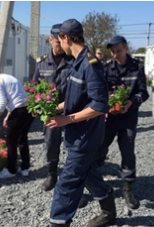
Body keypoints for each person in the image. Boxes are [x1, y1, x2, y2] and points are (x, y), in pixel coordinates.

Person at [44, 19, 116, 227]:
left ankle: (58, 222)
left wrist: (65, 119)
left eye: (59, 40)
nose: (58, 44)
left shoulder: (90, 64)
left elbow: (100, 105)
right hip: (78, 133)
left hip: (86, 136)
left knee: (67, 183)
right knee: (90, 173)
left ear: (67, 38)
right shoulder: (77, 61)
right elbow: (79, 98)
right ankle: (109, 212)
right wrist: (54, 109)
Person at [97, 36, 149, 210]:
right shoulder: (106, 69)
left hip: (128, 118)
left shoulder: (137, 67)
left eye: (118, 51)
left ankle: (127, 188)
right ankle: (94, 180)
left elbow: (143, 92)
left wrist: (131, 102)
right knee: (100, 147)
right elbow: (101, 91)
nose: (115, 54)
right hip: (109, 118)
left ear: (126, 49)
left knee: (127, 152)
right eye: (112, 51)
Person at [33, 24, 73, 191]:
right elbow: (34, 87)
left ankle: (72, 179)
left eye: (63, 40)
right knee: (50, 143)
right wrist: (35, 106)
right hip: (50, 113)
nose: (61, 44)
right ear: (51, 39)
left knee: (72, 145)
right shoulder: (42, 63)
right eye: (57, 41)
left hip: (71, 111)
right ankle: (52, 174)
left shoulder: (73, 62)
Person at [0, 61, 34, 178]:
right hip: (29, 110)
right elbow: (15, 97)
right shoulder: (7, 77)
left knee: (11, 141)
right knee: (22, 139)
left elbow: (3, 102)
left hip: (19, 112)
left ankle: (10, 170)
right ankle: (25, 168)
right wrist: (8, 116)